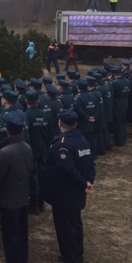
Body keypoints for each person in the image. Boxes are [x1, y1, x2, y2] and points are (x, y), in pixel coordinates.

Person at [42, 110, 96, 263]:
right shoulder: (82, 140)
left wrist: (83, 184)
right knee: (75, 224)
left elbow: (68, 169)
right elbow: (91, 163)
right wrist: (88, 181)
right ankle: (76, 254)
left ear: (60, 123)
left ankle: (71, 257)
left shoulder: (62, 144)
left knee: (66, 227)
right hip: (76, 191)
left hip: (65, 193)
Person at [0, 115, 34, 263]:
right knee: (22, 233)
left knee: (10, 235)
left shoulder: (5, 153)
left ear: (7, 130)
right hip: (23, 197)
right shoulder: (27, 147)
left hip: (9, 200)